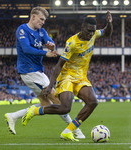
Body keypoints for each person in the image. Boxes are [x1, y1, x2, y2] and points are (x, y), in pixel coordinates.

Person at [22, 11, 113, 141]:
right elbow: (59, 65)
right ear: (82, 28)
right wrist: (50, 85)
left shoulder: (93, 35)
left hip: (81, 77)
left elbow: (107, 32)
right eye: (88, 31)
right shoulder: (72, 43)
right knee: (65, 108)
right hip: (67, 76)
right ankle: (34, 111)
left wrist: (109, 23)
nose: (91, 34)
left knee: (93, 102)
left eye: (93, 31)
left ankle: (67, 131)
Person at [4, 7, 85, 139]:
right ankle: (74, 131)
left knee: (46, 105)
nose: (43, 22)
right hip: (29, 72)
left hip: (38, 71)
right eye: (41, 19)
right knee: (58, 101)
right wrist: (45, 52)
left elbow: (50, 42)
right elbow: (26, 49)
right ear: (33, 17)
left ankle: (13, 116)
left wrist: (51, 46)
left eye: (44, 20)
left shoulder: (41, 31)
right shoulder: (22, 30)